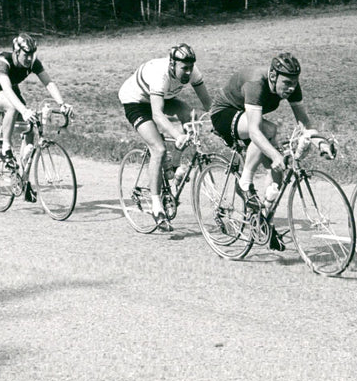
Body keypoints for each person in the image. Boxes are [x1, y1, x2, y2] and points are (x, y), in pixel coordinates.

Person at [209, 52, 328, 251]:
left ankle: (262, 220)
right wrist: (274, 155)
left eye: (294, 83)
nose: (291, 88)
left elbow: (305, 122)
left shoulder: (291, 85)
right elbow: (255, 130)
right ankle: (245, 183)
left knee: (278, 173)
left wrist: (320, 142)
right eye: (287, 83)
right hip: (224, 114)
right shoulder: (256, 83)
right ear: (273, 76)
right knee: (269, 131)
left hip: (247, 119)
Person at [119, 43, 212, 230]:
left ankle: (175, 167)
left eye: (190, 68)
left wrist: (220, 123)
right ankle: (156, 207)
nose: (187, 72)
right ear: (172, 65)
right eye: (183, 68)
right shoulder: (160, 74)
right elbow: (157, 115)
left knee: (190, 116)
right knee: (159, 148)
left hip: (162, 98)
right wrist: (177, 134)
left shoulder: (192, 71)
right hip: (136, 101)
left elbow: (208, 104)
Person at [0, 33, 73, 201]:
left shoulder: (33, 63)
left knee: (31, 127)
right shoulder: (2, 61)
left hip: (11, 91)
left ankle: (24, 180)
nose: (29, 58)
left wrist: (62, 104)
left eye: (32, 54)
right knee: (11, 106)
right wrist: (22, 110)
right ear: (16, 52)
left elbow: (48, 82)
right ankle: (5, 149)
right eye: (26, 54)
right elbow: (6, 89)